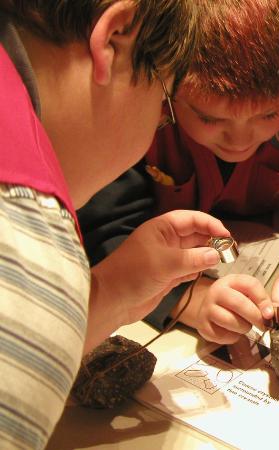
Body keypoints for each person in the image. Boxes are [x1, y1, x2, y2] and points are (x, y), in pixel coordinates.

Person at [0, 1, 231, 448]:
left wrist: (108, 295)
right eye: (164, 102)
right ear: (115, 37)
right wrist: (55, 291)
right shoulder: (27, 237)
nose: (153, 129)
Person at [78, 0, 279, 345]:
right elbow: (106, 228)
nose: (240, 141)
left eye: (269, 115)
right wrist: (195, 300)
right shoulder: (141, 72)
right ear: (166, 83)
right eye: (209, 118)